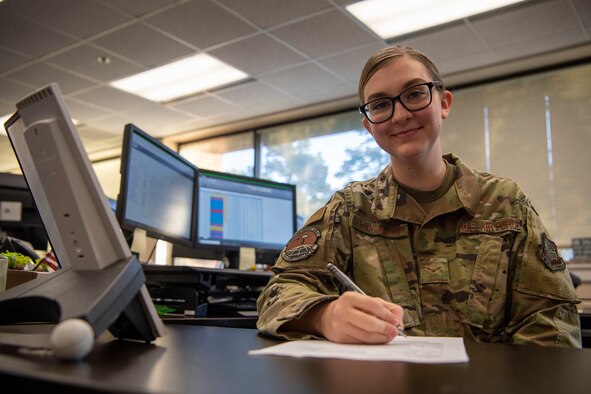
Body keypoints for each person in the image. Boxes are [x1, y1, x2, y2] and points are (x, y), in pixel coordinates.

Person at [256, 45, 582, 347]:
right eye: (381, 104)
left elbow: (552, 320)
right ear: (369, 126)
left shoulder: (505, 203)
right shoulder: (350, 209)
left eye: (414, 94)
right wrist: (323, 315)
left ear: (443, 103)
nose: (399, 115)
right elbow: (277, 293)